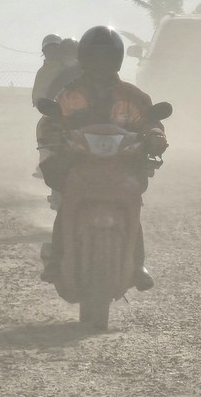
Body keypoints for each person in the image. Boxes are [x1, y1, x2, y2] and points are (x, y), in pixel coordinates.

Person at [37, 26, 167, 291]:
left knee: (132, 202)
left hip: (123, 163)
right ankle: (55, 260)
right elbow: (51, 120)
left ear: (117, 59)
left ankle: (136, 264)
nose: (101, 63)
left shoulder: (133, 96)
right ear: (85, 57)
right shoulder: (69, 94)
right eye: (95, 57)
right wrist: (52, 136)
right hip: (80, 161)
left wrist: (155, 135)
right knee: (66, 201)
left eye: (107, 57)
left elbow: (150, 121)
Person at [31, 34, 63, 107]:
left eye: (55, 48)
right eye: (49, 49)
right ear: (44, 52)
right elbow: (36, 98)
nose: (52, 51)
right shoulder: (42, 73)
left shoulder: (70, 68)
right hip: (52, 111)